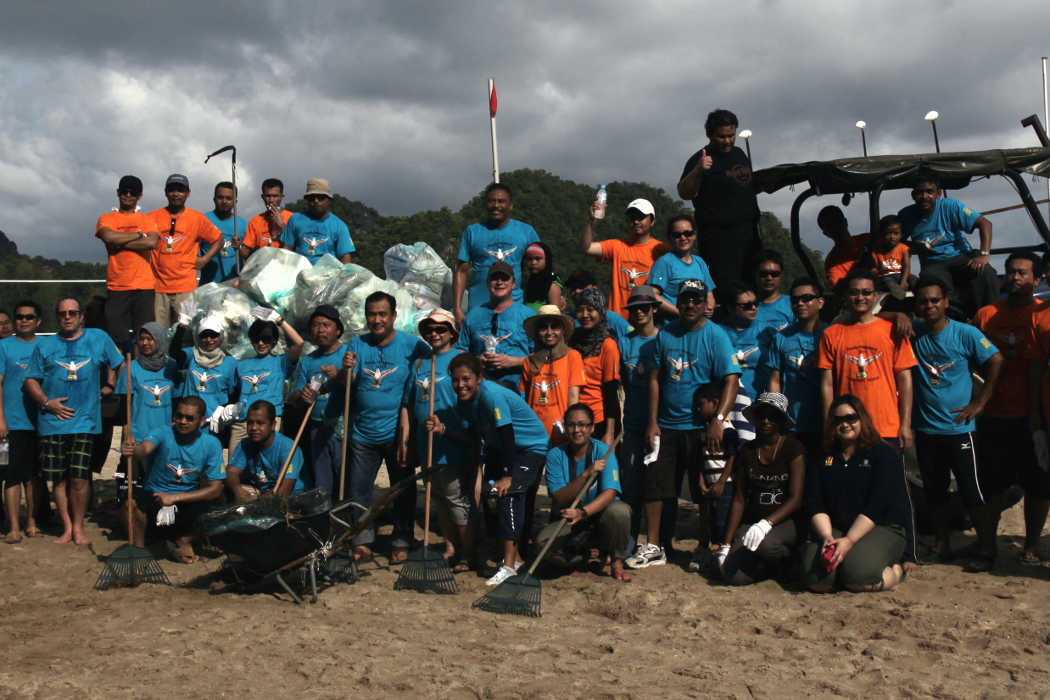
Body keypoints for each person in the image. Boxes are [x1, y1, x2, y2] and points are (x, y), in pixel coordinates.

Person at [627, 279, 740, 569]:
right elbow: (654, 379)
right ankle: (654, 545)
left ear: (705, 304)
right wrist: (652, 422)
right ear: (678, 303)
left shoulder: (716, 336)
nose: (691, 305)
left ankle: (704, 546)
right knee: (656, 485)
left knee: (703, 489)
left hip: (701, 426)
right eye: (686, 299)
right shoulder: (665, 335)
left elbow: (731, 379)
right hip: (666, 424)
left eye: (697, 300)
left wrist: (718, 420)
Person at [425, 353, 549, 586]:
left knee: (507, 494)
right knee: (489, 498)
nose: (460, 385)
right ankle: (518, 558)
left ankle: (509, 566)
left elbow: (508, 435)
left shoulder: (492, 396)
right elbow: (473, 437)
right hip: (500, 449)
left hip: (528, 448)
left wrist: (508, 475)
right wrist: (443, 430)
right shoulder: (465, 402)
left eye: (466, 379)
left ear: (479, 378)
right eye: (455, 380)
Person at [910, 276, 1002, 564]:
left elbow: (996, 360)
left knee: (971, 489)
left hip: (960, 429)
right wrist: (898, 315)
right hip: (926, 429)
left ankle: (986, 547)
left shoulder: (966, 334)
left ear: (946, 302)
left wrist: (980, 402)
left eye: (935, 300)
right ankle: (942, 545)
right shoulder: (914, 334)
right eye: (923, 301)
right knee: (934, 492)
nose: (929, 306)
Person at [23, 297, 122, 544]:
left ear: (81, 316)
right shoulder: (45, 346)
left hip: (84, 421)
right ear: (57, 317)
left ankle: (78, 527)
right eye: (62, 313)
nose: (67, 317)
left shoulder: (97, 338)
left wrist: (110, 385)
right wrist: (47, 403)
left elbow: (119, 363)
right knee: (58, 478)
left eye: (72, 313)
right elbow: (30, 380)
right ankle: (66, 526)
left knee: (79, 477)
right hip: (51, 421)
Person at [974, 251, 1050, 568]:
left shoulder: (1044, 316)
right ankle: (987, 547)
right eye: (1010, 272)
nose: (1015, 277)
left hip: (1033, 415)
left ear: (1037, 279)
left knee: (1038, 485)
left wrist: (1035, 415)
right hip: (993, 414)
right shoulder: (987, 314)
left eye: (1022, 273)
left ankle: (1031, 545)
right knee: (990, 485)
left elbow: (1036, 367)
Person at [344, 291, 429, 563]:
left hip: (398, 432)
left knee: (401, 489)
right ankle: (363, 539)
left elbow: (433, 363)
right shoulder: (357, 345)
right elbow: (351, 382)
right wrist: (348, 371)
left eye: (383, 314)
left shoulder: (412, 345)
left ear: (394, 316)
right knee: (359, 489)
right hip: (362, 432)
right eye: (372, 314)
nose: (377, 320)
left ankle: (402, 538)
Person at [800, 396, 910, 592]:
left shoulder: (883, 454)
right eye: (838, 420)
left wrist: (850, 540)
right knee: (817, 582)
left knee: (859, 579)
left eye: (851, 418)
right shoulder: (822, 456)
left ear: (862, 419)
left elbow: (877, 505)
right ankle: (843, 565)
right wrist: (826, 536)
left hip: (881, 526)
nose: (845, 424)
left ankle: (897, 570)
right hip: (835, 527)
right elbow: (815, 501)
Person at [404, 309, 476, 569]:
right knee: (438, 498)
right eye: (430, 329)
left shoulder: (461, 359)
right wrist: (407, 439)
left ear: (452, 333)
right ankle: (449, 546)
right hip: (427, 443)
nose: (434, 334)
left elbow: (474, 398)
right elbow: (409, 405)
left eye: (441, 329)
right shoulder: (421, 363)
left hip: (453, 439)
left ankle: (468, 552)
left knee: (456, 497)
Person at [818, 271, 916, 446]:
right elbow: (827, 384)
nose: (860, 297)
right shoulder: (831, 334)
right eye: (854, 292)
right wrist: (828, 424)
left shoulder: (893, 331)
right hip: (846, 427)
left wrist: (906, 425)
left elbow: (905, 380)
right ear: (846, 296)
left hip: (886, 427)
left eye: (866, 292)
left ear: (875, 296)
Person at [120, 396, 223, 562]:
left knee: (220, 508)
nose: (183, 421)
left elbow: (215, 488)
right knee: (129, 505)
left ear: (202, 421)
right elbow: (144, 449)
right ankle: (139, 550)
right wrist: (133, 450)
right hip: (155, 496)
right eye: (179, 416)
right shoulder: (162, 432)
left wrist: (174, 497)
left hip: (186, 500)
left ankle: (182, 541)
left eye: (189, 418)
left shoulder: (212, 444)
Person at [720, 392, 806, 585]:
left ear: (781, 420)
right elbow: (739, 498)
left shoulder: (794, 448)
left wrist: (766, 523)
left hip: (785, 521)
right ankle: (766, 569)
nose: (766, 420)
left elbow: (796, 498)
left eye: (772, 416)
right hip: (753, 520)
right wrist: (726, 543)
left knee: (766, 546)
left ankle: (788, 561)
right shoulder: (747, 451)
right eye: (762, 416)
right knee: (732, 575)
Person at [539, 404, 631, 582]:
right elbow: (558, 497)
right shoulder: (554, 455)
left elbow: (610, 493)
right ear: (565, 427)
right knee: (542, 546)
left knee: (620, 511)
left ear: (592, 427)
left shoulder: (604, 451)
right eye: (571, 425)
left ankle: (616, 561)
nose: (577, 430)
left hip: (597, 514)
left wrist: (584, 512)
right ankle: (581, 557)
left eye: (582, 425)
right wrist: (586, 474)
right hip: (569, 518)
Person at [677, 108, 760, 291]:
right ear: (710, 135)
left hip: (749, 237)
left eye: (731, 135)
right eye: (722, 137)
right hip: (719, 243)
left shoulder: (739, 153)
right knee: (727, 290)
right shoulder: (700, 159)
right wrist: (699, 170)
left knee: (752, 288)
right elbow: (684, 192)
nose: (728, 141)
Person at [898, 173, 998, 318]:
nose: (924, 196)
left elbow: (985, 224)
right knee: (934, 286)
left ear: (938, 193)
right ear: (913, 195)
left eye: (929, 192)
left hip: (960, 256)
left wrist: (984, 255)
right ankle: (955, 322)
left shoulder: (951, 206)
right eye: (919, 192)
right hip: (933, 263)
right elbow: (896, 242)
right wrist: (916, 246)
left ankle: (989, 317)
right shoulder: (906, 214)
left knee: (986, 272)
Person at [453, 182, 540, 325]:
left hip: (514, 307)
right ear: (485, 204)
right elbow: (461, 271)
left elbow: (540, 267)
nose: (496, 205)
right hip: (479, 307)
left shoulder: (526, 232)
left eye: (501, 201)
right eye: (491, 201)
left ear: (511, 205)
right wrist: (457, 308)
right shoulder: (472, 232)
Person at [617, 285, 661, 558]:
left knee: (656, 487)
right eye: (634, 309)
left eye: (644, 308)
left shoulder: (664, 339)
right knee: (630, 486)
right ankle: (629, 540)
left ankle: (659, 541)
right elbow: (620, 383)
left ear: (655, 309)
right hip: (631, 423)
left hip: (659, 424)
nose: (639, 313)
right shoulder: (625, 342)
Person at [289, 305, 349, 498]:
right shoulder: (307, 361)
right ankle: (325, 521)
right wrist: (303, 394)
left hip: (344, 427)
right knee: (322, 480)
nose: (320, 330)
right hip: (316, 427)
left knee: (345, 479)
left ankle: (348, 519)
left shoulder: (348, 355)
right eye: (315, 325)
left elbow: (360, 385)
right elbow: (294, 396)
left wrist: (340, 375)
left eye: (326, 325)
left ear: (338, 330)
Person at [148, 174, 223, 328]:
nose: (176, 194)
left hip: (185, 289)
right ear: (165, 192)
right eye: (172, 190)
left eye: (180, 190)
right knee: (158, 334)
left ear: (188, 193)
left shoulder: (196, 218)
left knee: (185, 334)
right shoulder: (151, 217)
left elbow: (219, 240)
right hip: (157, 289)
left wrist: (204, 259)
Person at [114, 322, 178, 499]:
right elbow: (123, 406)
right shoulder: (130, 368)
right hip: (138, 434)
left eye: (150, 339)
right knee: (135, 489)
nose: (145, 343)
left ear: (160, 340)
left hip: (164, 435)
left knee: (161, 486)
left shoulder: (172, 367)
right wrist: (128, 433)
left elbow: (177, 400)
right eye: (141, 339)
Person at [94, 175, 160, 344]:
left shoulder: (147, 219)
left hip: (144, 286)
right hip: (117, 286)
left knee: (144, 337)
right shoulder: (106, 218)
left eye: (133, 192)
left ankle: (138, 369)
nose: (128, 195)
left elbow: (151, 242)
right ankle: (119, 369)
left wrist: (119, 243)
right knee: (116, 337)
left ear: (140, 196)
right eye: (125, 191)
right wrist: (138, 234)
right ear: (118, 192)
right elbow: (108, 237)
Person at [579, 198, 669, 319]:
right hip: (616, 319)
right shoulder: (617, 246)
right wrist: (592, 220)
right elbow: (586, 248)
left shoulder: (661, 250)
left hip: (645, 319)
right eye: (632, 218)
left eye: (641, 217)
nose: (636, 221)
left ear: (652, 221)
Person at [766, 278, 827, 456]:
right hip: (792, 424)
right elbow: (775, 379)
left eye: (806, 298)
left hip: (823, 423)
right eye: (794, 300)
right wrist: (776, 416)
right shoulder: (781, 338)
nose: (800, 303)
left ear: (821, 302)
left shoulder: (831, 335)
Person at [0, 300, 43, 541]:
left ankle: (32, 522)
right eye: (19, 317)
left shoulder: (46, 345)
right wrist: (1, 420)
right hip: (12, 423)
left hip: (40, 421)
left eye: (29, 317)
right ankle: (13, 526)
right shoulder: (4, 347)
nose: (23, 320)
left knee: (33, 476)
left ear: (38, 321)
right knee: (11, 475)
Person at [228, 314, 305, 449]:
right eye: (256, 339)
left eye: (266, 339)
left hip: (269, 422)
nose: (261, 343)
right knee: (235, 465)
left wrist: (279, 320)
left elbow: (299, 343)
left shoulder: (281, 362)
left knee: (267, 465)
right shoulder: (241, 365)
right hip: (243, 422)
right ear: (251, 341)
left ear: (274, 341)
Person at [457, 260, 535, 390]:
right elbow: (461, 351)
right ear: (487, 283)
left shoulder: (528, 316)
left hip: (518, 390)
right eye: (494, 278)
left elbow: (543, 355)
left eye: (504, 278)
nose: (499, 282)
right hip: (481, 389)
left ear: (513, 284)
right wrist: (476, 361)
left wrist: (513, 361)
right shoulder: (473, 316)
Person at [519, 305, 584, 444]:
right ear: (537, 332)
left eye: (555, 327)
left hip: (561, 432)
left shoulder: (572, 356)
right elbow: (525, 400)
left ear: (562, 331)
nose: (549, 332)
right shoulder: (529, 361)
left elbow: (573, 397)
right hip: (535, 434)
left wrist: (571, 426)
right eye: (543, 328)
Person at [569, 288, 621, 443]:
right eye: (580, 310)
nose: (585, 315)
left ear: (600, 311)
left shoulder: (607, 344)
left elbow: (611, 391)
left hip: (598, 420)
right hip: (575, 419)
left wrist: (609, 432)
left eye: (590, 310)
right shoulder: (573, 340)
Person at [226, 400, 304, 501]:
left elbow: (284, 491)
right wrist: (238, 491)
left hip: (289, 497)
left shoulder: (289, 448)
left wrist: (255, 500)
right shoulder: (245, 443)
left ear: (273, 425)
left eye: (260, 423)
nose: (254, 427)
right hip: (260, 492)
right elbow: (231, 472)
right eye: (250, 423)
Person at [176, 315, 238, 436]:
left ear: (220, 336)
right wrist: (181, 326)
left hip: (214, 423)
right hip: (189, 421)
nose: (209, 340)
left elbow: (233, 393)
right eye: (204, 336)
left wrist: (225, 410)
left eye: (213, 335)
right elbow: (175, 353)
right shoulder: (191, 355)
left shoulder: (230, 362)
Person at [718, 282, 777, 400]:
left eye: (756, 303)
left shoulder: (767, 332)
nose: (754, 308)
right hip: (725, 400)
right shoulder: (716, 333)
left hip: (758, 401)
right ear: (730, 308)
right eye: (747, 305)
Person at [648, 215, 716, 317]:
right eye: (677, 235)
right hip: (673, 326)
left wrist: (709, 308)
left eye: (687, 233)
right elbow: (652, 294)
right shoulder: (664, 262)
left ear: (694, 235)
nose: (683, 238)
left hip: (697, 325)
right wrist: (679, 312)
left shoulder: (700, 262)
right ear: (669, 238)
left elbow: (709, 293)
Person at [279, 178, 355, 264]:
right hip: (299, 271)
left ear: (329, 200)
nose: (316, 201)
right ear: (306, 200)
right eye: (311, 198)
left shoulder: (339, 226)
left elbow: (345, 257)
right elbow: (287, 249)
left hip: (327, 273)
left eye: (321, 198)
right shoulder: (295, 219)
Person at [564, 269, 632, 346]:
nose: (577, 291)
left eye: (581, 286)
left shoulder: (611, 318)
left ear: (595, 288)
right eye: (572, 288)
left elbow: (634, 340)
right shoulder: (567, 320)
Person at [200, 181, 247, 284]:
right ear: (214, 199)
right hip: (208, 285)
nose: (224, 201)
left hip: (234, 284)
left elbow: (249, 256)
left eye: (229, 198)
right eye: (220, 197)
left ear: (235, 201)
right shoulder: (202, 220)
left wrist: (239, 247)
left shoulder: (243, 224)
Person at [818, 205, 869, 295]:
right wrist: (859, 266)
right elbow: (841, 290)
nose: (835, 228)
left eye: (837, 222)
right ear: (825, 233)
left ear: (845, 222)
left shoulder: (868, 239)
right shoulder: (832, 262)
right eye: (830, 226)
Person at [242, 178, 292, 256]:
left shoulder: (292, 218)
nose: (271, 200)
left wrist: (282, 226)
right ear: (263, 197)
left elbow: (299, 247)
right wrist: (238, 246)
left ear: (282, 197)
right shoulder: (255, 221)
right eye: (268, 196)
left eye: (275, 196)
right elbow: (245, 253)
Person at [869, 215, 913, 297]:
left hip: (902, 275)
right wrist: (875, 272)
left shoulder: (903, 248)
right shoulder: (877, 251)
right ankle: (898, 293)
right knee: (887, 282)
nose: (892, 237)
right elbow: (874, 269)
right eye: (888, 234)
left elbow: (906, 266)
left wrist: (904, 281)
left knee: (914, 280)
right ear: (881, 235)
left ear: (901, 234)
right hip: (886, 276)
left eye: (896, 233)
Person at [753, 250, 793, 330]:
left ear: (781, 275)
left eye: (774, 274)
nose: (769, 278)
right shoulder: (744, 305)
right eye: (763, 274)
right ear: (755, 274)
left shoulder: (793, 304)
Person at [521, 242, 565, 312]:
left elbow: (555, 313)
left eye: (538, 259)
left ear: (547, 260)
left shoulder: (552, 284)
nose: (533, 262)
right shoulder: (528, 281)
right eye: (529, 259)